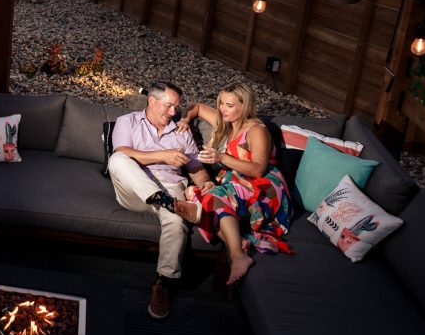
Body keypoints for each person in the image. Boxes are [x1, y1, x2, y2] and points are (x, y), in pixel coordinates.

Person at [108, 81, 212, 320]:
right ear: (152, 101)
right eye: (169, 106)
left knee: (177, 221)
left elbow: (196, 171)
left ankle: (163, 283)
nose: (173, 112)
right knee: (117, 159)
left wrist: (207, 183)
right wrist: (163, 156)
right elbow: (123, 151)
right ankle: (166, 202)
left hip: (170, 187)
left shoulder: (182, 132)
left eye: (176, 107)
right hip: (134, 190)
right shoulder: (128, 121)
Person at [178, 82, 293, 285]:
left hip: (263, 186)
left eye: (229, 105)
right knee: (193, 194)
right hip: (237, 183)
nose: (223, 109)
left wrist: (221, 157)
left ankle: (238, 256)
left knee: (214, 196)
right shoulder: (225, 121)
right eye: (221, 103)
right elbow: (196, 106)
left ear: (245, 106)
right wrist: (185, 119)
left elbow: (258, 169)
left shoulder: (256, 130)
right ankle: (238, 242)